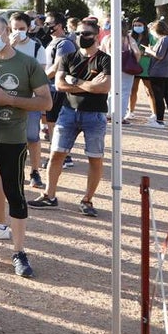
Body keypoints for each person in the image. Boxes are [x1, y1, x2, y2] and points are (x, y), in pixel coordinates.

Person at [0, 15, 51, 278]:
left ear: (8, 32)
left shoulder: (27, 63)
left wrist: (8, 98)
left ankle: (19, 252)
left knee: (14, 193)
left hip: (13, 139)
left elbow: (45, 103)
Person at [28, 20, 111, 215]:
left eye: (87, 34)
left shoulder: (105, 60)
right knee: (56, 154)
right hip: (67, 113)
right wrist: (88, 84)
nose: (82, 37)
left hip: (95, 115)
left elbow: (104, 87)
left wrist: (74, 81)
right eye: (79, 33)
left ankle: (87, 200)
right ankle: (49, 195)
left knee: (95, 158)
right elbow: (60, 85)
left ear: (97, 35)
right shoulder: (67, 57)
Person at [9, 12, 47, 191]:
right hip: (7, 100)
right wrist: (10, 48)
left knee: (32, 137)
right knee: (12, 139)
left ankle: (35, 171)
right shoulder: (5, 47)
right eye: (14, 29)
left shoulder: (37, 48)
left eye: (21, 29)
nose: (18, 32)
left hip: (29, 100)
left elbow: (40, 75)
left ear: (29, 28)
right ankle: (16, 172)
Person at [145, 19, 168, 127]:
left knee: (158, 97)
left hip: (159, 72)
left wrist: (149, 50)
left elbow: (159, 55)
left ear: (156, 30)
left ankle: (159, 121)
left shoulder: (163, 40)